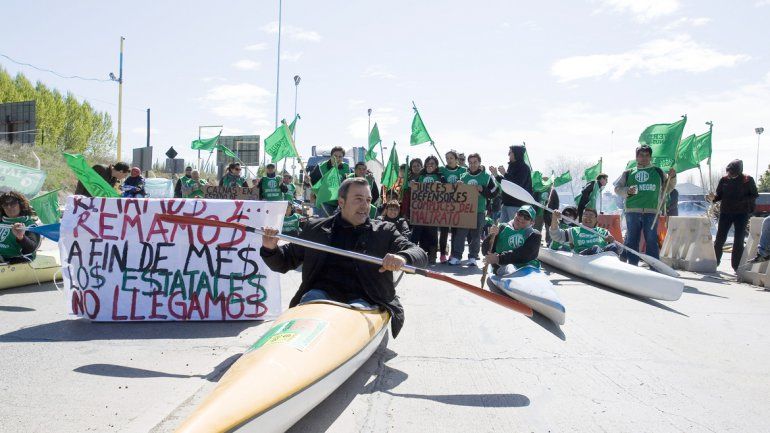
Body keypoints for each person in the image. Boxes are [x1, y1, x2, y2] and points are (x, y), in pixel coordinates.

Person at [260, 178, 428, 338]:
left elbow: (418, 253)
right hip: (319, 297)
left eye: (368, 200)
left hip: (365, 300)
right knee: (310, 303)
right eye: (358, 199)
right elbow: (284, 261)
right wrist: (270, 248)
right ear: (341, 202)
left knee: (351, 322)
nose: (365, 206)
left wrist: (402, 257)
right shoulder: (315, 229)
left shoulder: (385, 231)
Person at [613, 145, 676, 266]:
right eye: (641, 155)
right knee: (632, 241)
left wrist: (672, 177)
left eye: (647, 155)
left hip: (652, 212)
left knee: (651, 240)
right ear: (636, 157)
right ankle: (632, 266)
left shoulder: (657, 171)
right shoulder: (628, 173)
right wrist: (627, 191)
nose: (644, 158)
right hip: (632, 212)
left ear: (650, 157)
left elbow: (668, 188)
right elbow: (617, 189)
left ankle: (654, 268)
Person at [449, 153, 498, 267]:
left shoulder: (486, 177)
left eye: (475, 162)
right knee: (461, 233)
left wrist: (483, 189)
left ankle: (472, 257)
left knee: (476, 234)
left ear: (479, 162)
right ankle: (457, 256)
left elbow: (495, 192)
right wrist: (457, 185)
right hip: (464, 210)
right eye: (470, 162)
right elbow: (455, 195)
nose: (472, 165)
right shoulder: (463, 176)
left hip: (479, 210)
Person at [709, 159, 758, 271]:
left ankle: (736, 266)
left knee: (738, 240)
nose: (730, 175)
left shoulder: (747, 180)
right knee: (720, 238)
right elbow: (718, 196)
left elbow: (754, 195)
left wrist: (741, 200)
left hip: (741, 213)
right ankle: (715, 262)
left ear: (739, 171)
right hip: (725, 212)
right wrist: (712, 198)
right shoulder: (724, 180)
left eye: (732, 173)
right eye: (729, 172)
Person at [482, 205, 542, 275]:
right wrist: (491, 236)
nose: (522, 218)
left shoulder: (534, 235)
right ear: (515, 214)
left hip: (525, 267)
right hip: (503, 266)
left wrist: (499, 258)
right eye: (520, 214)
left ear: (532, 222)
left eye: (527, 217)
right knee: (510, 267)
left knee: (514, 268)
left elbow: (525, 255)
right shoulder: (501, 228)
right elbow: (485, 251)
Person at [410, 156, 445, 264]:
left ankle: (432, 255)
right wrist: (411, 184)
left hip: (434, 210)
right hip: (420, 210)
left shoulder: (440, 176)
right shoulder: (420, 175)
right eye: (428, 164)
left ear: (436, 165)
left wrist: (442, 185)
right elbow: (411, 186)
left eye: (432, 164)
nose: (430, 166)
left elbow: (448, 188)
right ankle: (412, 254)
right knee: (417, 232)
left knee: (432, 233)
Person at [437, 150, 467, 263]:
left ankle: (454, 254)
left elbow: (468, 183)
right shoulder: (442, 170)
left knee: (455, 231)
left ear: (456, 159)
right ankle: (442, 254)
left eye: (451, 158)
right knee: (444, 231)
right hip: (444, 205)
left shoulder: (463, 171)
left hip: (458, 206)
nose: (449, 160)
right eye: (447, 158)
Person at [549, 208, 618, 255]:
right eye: (585, 215)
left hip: (603, 258)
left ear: (596, 219)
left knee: (613, 246)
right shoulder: (574, 231)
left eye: (591, 215)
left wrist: (612, 241)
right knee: (595, 248)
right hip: (583, 257)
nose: (588, 218)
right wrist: (554, 218)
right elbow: (556, 236)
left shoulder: (604, 232)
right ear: (581, 218)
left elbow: (619, 250)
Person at [490, 145, 532, 222]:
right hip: (506, 203)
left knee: (514, 229)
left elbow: (518, 184)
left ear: (516, 153)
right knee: (503, 229)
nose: (508, 154)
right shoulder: (511, 166)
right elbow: (506, 183)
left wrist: (505, 173)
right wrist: (496, 175)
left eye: (510, 152)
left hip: (516, 205)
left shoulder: (524, 168)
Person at [309, 146, 352, 216]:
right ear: (331, 156)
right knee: (322, 225)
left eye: (340, 156)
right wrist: (306, 180)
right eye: (335, 156)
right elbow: (310, 183)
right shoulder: (321, 167)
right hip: (324, 203)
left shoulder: (347, 168)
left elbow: (352, 181)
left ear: (343, 158)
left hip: (340, 204)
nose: (337, 158)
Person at [0, 191, 41, 264]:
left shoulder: (29, 224)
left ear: (21, 205)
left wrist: (21, 237)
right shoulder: (2, 222)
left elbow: (31, 248)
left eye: (13, 204)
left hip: (18, 261)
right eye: (5, 204)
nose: (9, 207)